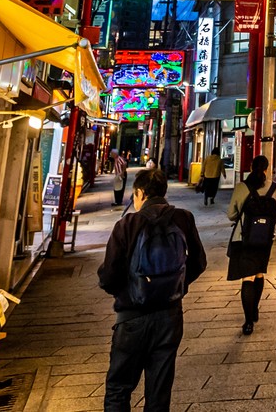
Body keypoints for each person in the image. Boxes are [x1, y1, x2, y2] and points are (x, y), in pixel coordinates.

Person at [97, 168, 206, 412]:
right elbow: (199, 263)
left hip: (132, 317)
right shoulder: (184, 218)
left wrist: (125, 292)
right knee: (159, 392)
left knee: (119, 388)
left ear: (141, 194)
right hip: (170, 317)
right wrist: (176, 286)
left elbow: (109, 275)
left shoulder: (127, 224)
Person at [226, 155, 276, 335]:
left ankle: (249, 321)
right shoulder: (273, 188)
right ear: (266, 169)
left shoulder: (242, 187)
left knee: (247, 277)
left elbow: (231, 214)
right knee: (259, 272)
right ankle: (254, 309)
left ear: (250, 167)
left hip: (245, 238)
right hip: (265, 239)